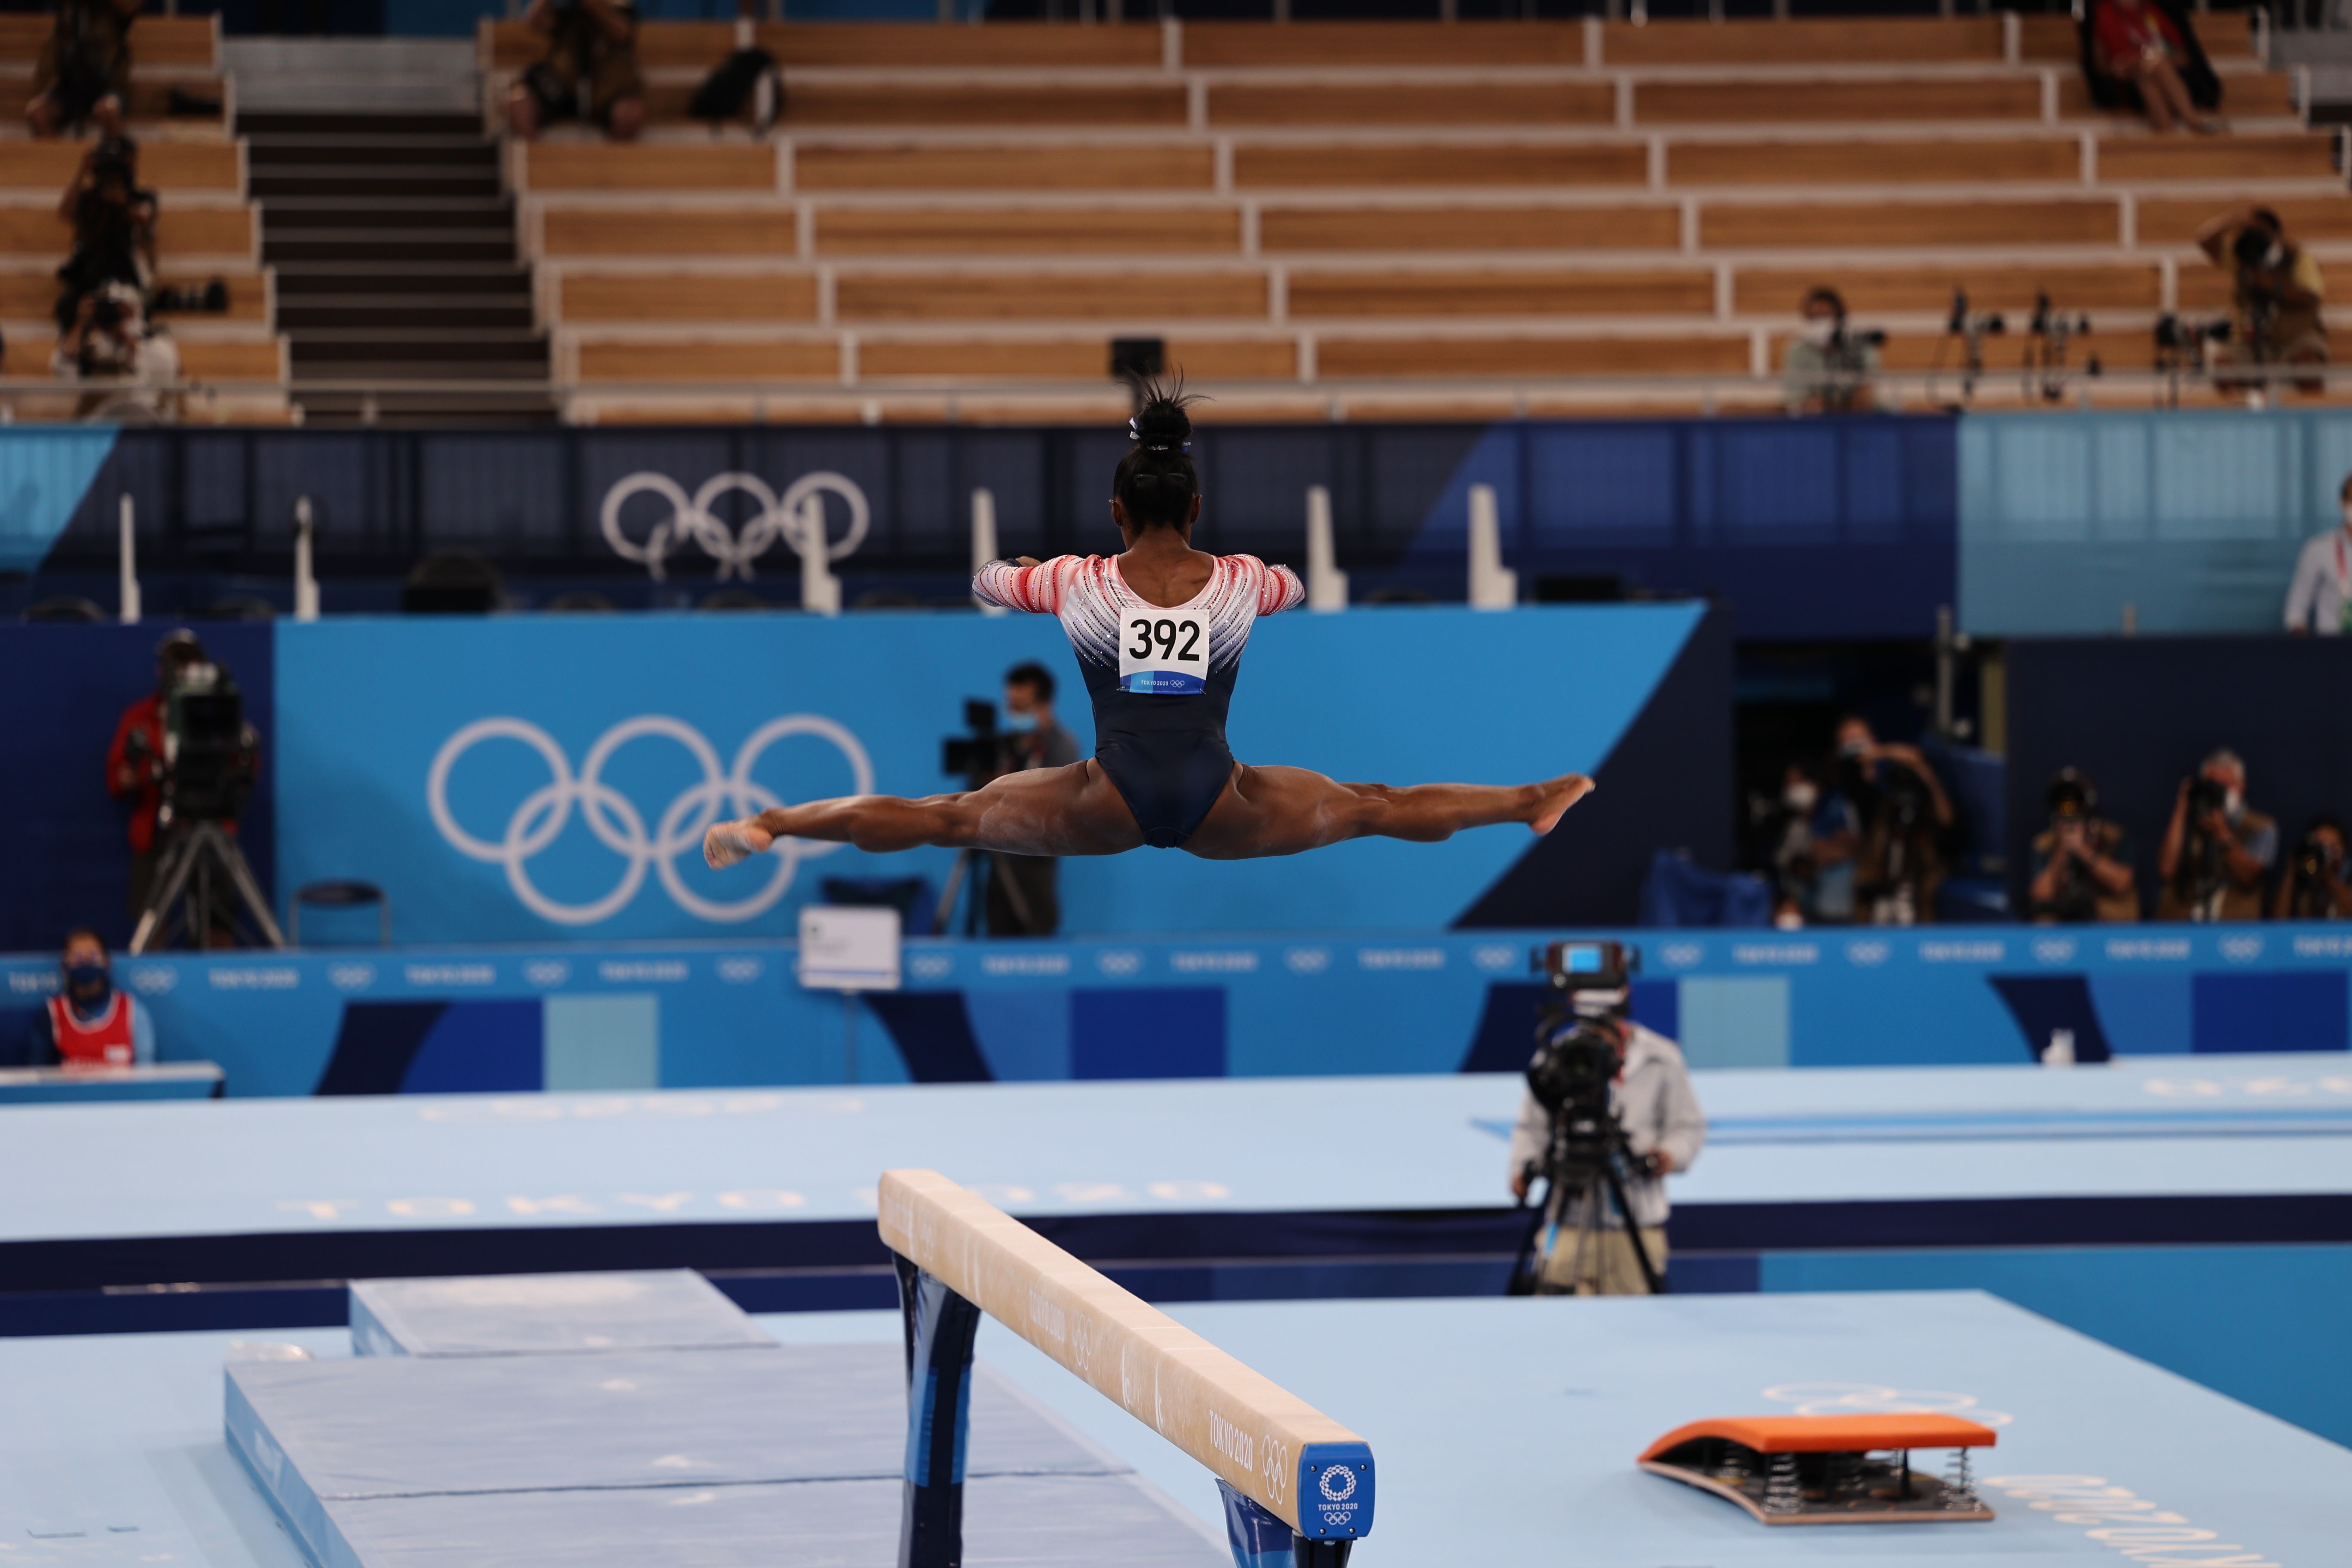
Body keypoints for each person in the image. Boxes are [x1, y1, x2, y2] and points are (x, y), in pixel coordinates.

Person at [703, 386, 1593, 872]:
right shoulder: (1245, 582)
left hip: (1107, 792)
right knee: (1376, 807)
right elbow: (1296, 587)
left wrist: (1016, 571)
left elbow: (983, 582)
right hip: (1223, 794)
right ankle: (1528, 803)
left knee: (947, 819)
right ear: (1197, 507)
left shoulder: (1079, 582)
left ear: (1115, 511)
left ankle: (772, 825)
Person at [1504, 976, 1705, 1297]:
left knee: (1636, 1333)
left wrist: (1669, 1154)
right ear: (1572, 998)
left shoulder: (1662, 1056)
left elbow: (1688, 1126)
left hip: (1636, 1220)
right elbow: (1531, 1128)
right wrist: (1522, 1168)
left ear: (1626, 992)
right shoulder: (1554, 1056)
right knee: (1558, 1325)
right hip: (1566, 1220)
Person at [107, 628, 206, 922]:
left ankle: (217, 969)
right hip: (155, 828)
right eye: (173, 662)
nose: (179, 671)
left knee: (215, 919)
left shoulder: (216, 710)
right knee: (148, 920)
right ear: (160, 668)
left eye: (187, 662)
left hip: (206, 824)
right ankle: (149, 969)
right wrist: (127, 778)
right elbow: (116, 775)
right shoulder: (138, 716)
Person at [985, 661, 1080, 937]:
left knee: (1037, 928)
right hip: (1000, 850)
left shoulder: (1063, 746)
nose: (1014, 715)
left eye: (1022, 709)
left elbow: (1056, 801)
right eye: (1011, 707)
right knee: (997, 927)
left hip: (1037, 854)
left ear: (1045, 705)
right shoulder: (1006, 744)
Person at [1829, 716, 1954, 927]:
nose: (1856, 746)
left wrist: (1920, 769)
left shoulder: (1898, 777)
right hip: (1876, 875)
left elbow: (1946, 819)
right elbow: (1853, 767)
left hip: (1917, 877)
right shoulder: (1855, 787)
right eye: (1848, 741)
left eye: (1859, 738)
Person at [2197, 206, 2327, 393]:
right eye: (2252, 232)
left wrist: (2273, 288)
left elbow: (2311, 298)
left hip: (2295, 339)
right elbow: (2204, 241)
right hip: (2251, 342)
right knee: (2224, 368)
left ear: (2276, 235)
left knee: (2309, 364)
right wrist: (2235, 220)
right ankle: (2238, 420)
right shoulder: (2243, 259)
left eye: (2262, 233)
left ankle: (2312, 420)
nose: (2257, 237)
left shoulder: (2298, 258)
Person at [2156, 748, 2276, 922]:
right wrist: (2182, 806)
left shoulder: (2261, 827)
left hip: (2234, 934)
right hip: (2183, 931)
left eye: (2225, 786)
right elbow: (2167, 870)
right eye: (2212, 786)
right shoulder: (2189, 823)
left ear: (2241, 787)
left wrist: (2222, 834)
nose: (2218, 793)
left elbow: (2249, 876)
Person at [507, 0, 646, 143]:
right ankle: (533, 160)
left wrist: (593, 6)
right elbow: (536, 24)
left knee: (629, 113)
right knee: (520, 102)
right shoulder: (564, 6)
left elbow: (623, 32)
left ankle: (616, 164)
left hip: (606, 87)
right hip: (562, 83)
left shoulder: (619, 5)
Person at [2086, 0, 2221, 134]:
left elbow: (2182, 56)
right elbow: (2103, 65)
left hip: (2153, 72)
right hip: (2125, 80)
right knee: (2151, 65)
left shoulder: (2150, 10)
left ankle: (2166, 132)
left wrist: (2151, 57)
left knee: (2150, 72)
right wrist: (2131, 63)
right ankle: (2193, 121)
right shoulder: (2105, 13)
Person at [29, 929, 156, 1069]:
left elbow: (145, 1077)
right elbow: (38, 1077)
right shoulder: (51, 1015)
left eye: (93, 956)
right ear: (64, 966)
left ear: (107, 962)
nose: (86, 962)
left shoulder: (133, 1012)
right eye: (77, 958)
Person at [2028, 769, 2140, 924]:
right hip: (2064, 924)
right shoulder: (2045, 843)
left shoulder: (2114, 837)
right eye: (2063, 806)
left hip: (2107, 925)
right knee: (2044, 918)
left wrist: (2082, 850)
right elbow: (2041, 895)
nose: (2069, 812)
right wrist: (2064, 848)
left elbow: (2122, 884)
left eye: (2075, 804)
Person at [25, 0, 142, 138]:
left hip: (109, 85)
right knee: (39, 113)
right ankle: (56, 159)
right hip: (70, 85)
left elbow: (131, 6)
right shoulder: (69, 10)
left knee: (108, 110)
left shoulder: (113, 12)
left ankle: (113, 156)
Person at [1782, 287, 1879, 415]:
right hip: (1816, 424)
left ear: (1839, 318)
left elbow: (1866, 398)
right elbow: (1797, 399)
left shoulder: (1861, 348)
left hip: (1858, 421)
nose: (1820, 322)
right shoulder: (1798, 351)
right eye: (1814, 317)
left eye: (1825, 316)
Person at [2284, 472, 2352, 634]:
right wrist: (2309, 653)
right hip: (2331, 650)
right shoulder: (2318, 549)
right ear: (2342, 503)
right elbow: (2296, 611)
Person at [2273, 816, 2352, 921]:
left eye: (2331, 847)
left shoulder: (2349, 876)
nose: (2324, 853)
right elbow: (2278, 922)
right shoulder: (2303, 879)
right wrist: (2291, 873)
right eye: (2320, 847)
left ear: (2344, 849)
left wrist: (2329, 878)